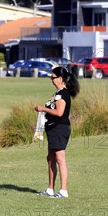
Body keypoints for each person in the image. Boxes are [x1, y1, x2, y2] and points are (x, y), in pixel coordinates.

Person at [34, 66, 80, 198]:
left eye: (53, 77)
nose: (51, 80)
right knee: (50, 158)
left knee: (60, 159)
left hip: (59, 128)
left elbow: (59, 113)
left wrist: (43, 108)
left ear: (60, 79)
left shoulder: (63, 94)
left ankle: (63, 191)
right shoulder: (57, 93)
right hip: (53, 129)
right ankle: (50, 189)